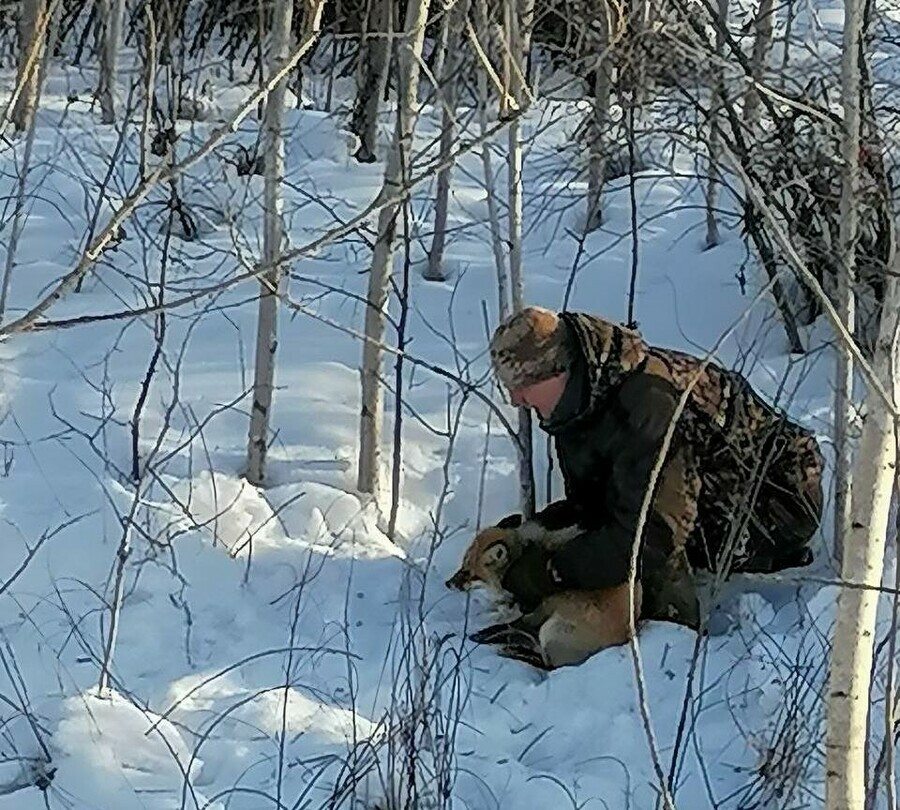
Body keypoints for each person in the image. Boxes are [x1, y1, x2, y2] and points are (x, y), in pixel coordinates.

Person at [486, 306, 824, 628]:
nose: (517, 400)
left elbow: (652, 537)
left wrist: (550, 572)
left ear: (557, 371)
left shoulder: (647, 403)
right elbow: (591, 505)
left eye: (522, 386)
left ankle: (672, 638)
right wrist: (531, 537)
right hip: (710, 489)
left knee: (649, 558)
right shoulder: (578, 403)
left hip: (781, 500)